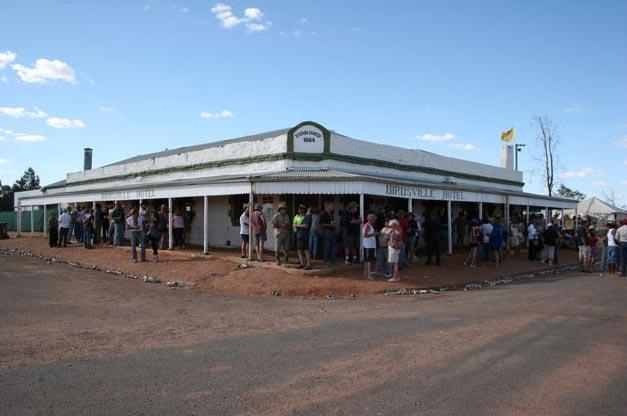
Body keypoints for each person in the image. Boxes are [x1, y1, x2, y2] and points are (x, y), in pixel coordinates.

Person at [293, 204, 312, 269]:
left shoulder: (307, 216)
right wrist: (297, 227)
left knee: (306, 250)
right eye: (299, 209)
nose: (300, 210)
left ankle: (308, 264)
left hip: (304, 235)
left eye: (301, 209)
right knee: (299, 249)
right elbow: (294, 225)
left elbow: (305, 226)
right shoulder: (296, 216)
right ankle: (302, 263)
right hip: (299, 234)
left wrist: (298, 225)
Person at [362, 214, 377, 279]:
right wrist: (373, 234)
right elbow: (364, 235)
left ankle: (366, 273)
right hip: (369, 245)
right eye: (374, 219)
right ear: (370, 219)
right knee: (368, 260)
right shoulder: (367, 225)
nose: (375, 220)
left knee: (366, 260)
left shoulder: (369, 225)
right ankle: (368, 275)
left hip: (369, 245)